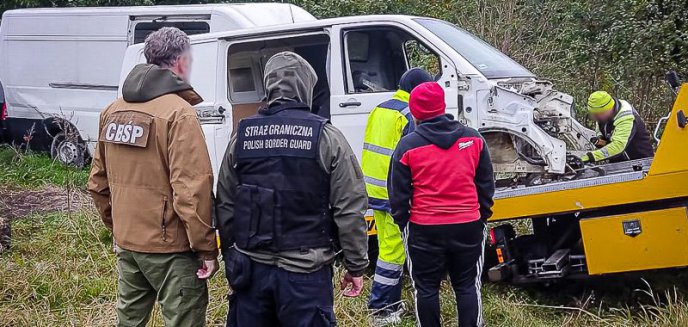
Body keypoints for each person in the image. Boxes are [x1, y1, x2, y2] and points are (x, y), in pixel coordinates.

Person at [215, 51, 369, 327]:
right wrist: (355, 265)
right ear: (306, 87)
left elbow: (225, 201)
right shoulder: (327, 137)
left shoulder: (242, 135)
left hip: (251, 270)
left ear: (269, 85)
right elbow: (350, 207)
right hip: (306, 276)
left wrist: (231, 255)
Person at [87, 27, 218, 327]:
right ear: (182, 62)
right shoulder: (179, 113)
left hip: (129, 244)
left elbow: (97, 183)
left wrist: (119, 227)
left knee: (129, 322)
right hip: (172, 249)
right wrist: (206, 247)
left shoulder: (112, 111)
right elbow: (191, 190)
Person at [389, 82, 495, 327]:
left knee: (425, 289)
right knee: (468, 286)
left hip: (424, 228)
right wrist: (481, 216)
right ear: (442, 106)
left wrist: (405, 223)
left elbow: (397, 194)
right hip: (468, 224)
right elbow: (486, 184)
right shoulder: (474, 139)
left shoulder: (407, 146)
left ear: (414, 112)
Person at [361, 67, 433, 324]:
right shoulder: (408, 114)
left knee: (386, 247)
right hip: (393, 192)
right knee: (393, 252)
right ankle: (382, 308)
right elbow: (412, 156)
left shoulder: (381, 108)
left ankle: (390, 302)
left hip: (373, 189)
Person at [581, 91, 654, 163]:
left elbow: (618, 145)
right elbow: (600, 128)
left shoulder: (626, 117)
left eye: (597, 115)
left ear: (607, 109)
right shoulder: (603, 115)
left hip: (641, 163)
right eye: (592, 114)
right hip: (619, 162)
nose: (594, 118)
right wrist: (600, 138)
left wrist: (590, 157)